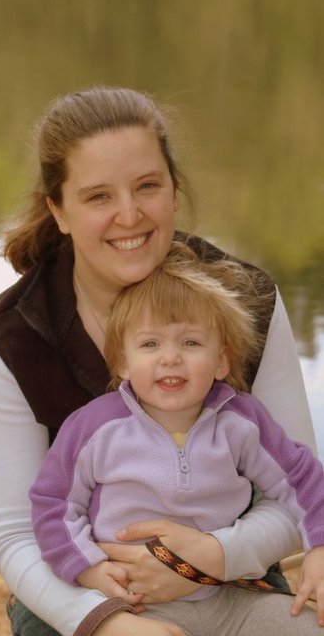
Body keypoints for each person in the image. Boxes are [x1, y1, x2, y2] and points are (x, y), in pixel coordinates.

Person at [0, 86, 322, 636]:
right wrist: (106, 621)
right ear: (58, 210)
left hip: (234, 582)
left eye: (147, 186)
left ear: (175, 191)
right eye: (98, 197)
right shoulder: (13, 336)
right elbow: (17, 536)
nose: (129, 215)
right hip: (80, 594)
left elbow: (298, 493)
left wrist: (213, 556)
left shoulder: (246, 300)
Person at [29, 242, 324, 635]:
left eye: (191, 343)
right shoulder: (94, 429)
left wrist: (320, 546)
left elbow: (301, 479)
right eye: (150, 344)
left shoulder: (241, 421)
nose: (170, 358)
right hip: (135, 605)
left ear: (221, 361)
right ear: (122, 361)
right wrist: (88, 568)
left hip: (228, 597)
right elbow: (53, 504)